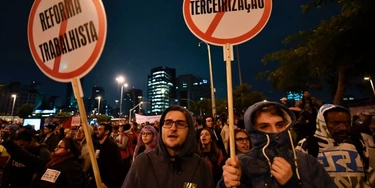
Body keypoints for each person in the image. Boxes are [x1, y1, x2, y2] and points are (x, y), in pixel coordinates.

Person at [218, 101, 335, 188]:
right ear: (253, 131)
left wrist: (291, 184)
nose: (275, 131)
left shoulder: (306, 162)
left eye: (279, 125)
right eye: (264, 126)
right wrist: (227, 183)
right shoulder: (241, 163)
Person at [123, 106, 214, 188]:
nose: (173, 128)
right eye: (167, 123)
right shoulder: (143, 163)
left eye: (180, 124)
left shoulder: (201, 166)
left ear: (189, 131)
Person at [296, 104, 371, 187]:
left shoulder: (357, 143)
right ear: (322, 123)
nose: (343, 128)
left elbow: (367, 174)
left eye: (347, 123)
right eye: (335, 123)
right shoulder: (307, 144)